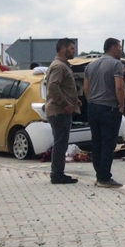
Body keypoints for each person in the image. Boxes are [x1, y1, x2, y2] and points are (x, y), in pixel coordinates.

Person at [84, 38, 125, 188]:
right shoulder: (116, 64)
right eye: (119, 47)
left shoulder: (91, 65)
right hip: (109, 108)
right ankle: (104, 178)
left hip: (93, 107)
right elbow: (119, 87)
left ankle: (99, 175)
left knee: (97, 143)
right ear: (113, 48)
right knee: (108, 144)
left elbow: (86, 88)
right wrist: (121, 105)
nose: (121, 50)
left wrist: (91, 102)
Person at [44, 38, 79, 184]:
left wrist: (74, 100)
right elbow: (53, 87)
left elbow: (63, 87)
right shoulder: (59, 66)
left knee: (62, 143)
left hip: (60, 110)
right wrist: (65, 103)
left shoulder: (62, 65)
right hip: (59, 111)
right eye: (71, 48)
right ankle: (57, 174)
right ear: (63, 49)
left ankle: (58, 173)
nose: (74, 51)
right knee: (60, 144)